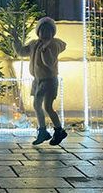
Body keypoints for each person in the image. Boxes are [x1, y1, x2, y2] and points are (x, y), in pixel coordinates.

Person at [17, 17, 68, 146]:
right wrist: (15, 39)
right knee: (43, 106)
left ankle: (48, 130)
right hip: (38, 80)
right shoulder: (35, 43)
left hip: (49, 80)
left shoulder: (53, 44)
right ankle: (54, 130)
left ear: (52, 32)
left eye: (48, 30)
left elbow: (50, 63)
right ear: (38, 31)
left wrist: (45, 51)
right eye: (42, 30)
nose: (45, 33)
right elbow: (22, 52)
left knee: (44, 106)